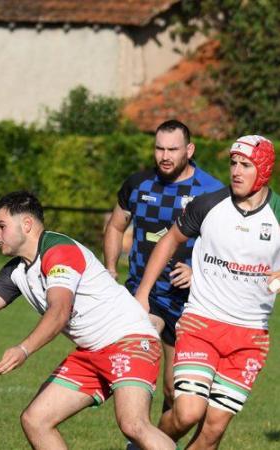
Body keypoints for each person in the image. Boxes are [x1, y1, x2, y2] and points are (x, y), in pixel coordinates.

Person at [0, 191, 174, 450]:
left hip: (128, 340)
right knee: (35, 420)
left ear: (27, 224)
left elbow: (59, 311)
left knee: (133, 424)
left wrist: (24, 348)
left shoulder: (59, 250)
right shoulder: (17, 270)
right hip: (91, 352)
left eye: (1, 226)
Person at [135, 135, 279, 449]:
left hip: (250, 338)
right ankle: (144, 445)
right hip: (202, 324)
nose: (236, 171)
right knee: (187, 413)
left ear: (264, 169)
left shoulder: (278, 214)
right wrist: (143, 292)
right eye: (233, 163)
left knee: (212, 431)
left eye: (246, 165)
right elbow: (169, 241)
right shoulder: (209, 204)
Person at [104, 119, 223, 413]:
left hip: (188, 301)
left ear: (190, 149)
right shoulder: (137, 184)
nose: (165, 156)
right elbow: (116, 226)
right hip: (144, 295)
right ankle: (137, 434)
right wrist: (110, 268)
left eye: (173, 149)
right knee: (137, 359)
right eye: (159, 148)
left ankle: (159, 441)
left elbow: (227, 246)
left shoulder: (212, 191)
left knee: (173, 390)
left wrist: (199, 273)